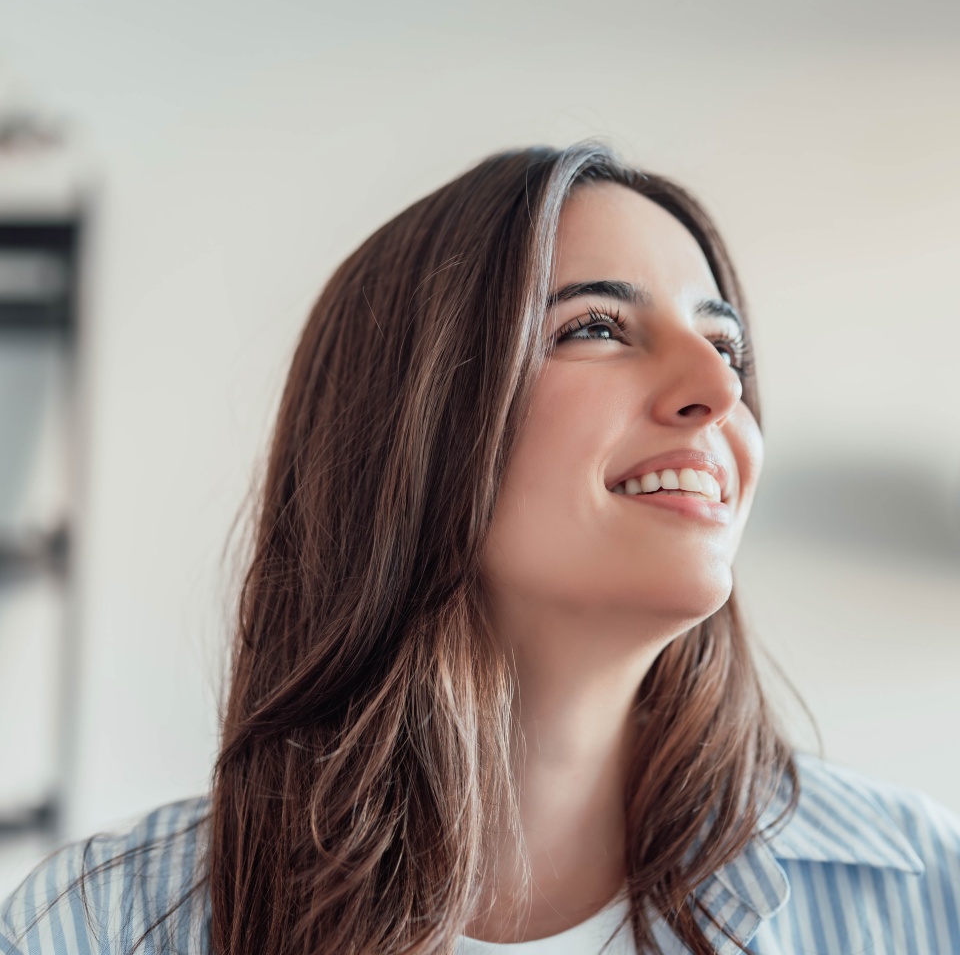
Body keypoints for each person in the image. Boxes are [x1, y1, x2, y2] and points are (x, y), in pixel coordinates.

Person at [2, 143, 959, 955]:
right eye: (595, 328)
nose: (716, 387)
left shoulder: (929, 899)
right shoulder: (99, 926)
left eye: (729, 347)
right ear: (406, 432)